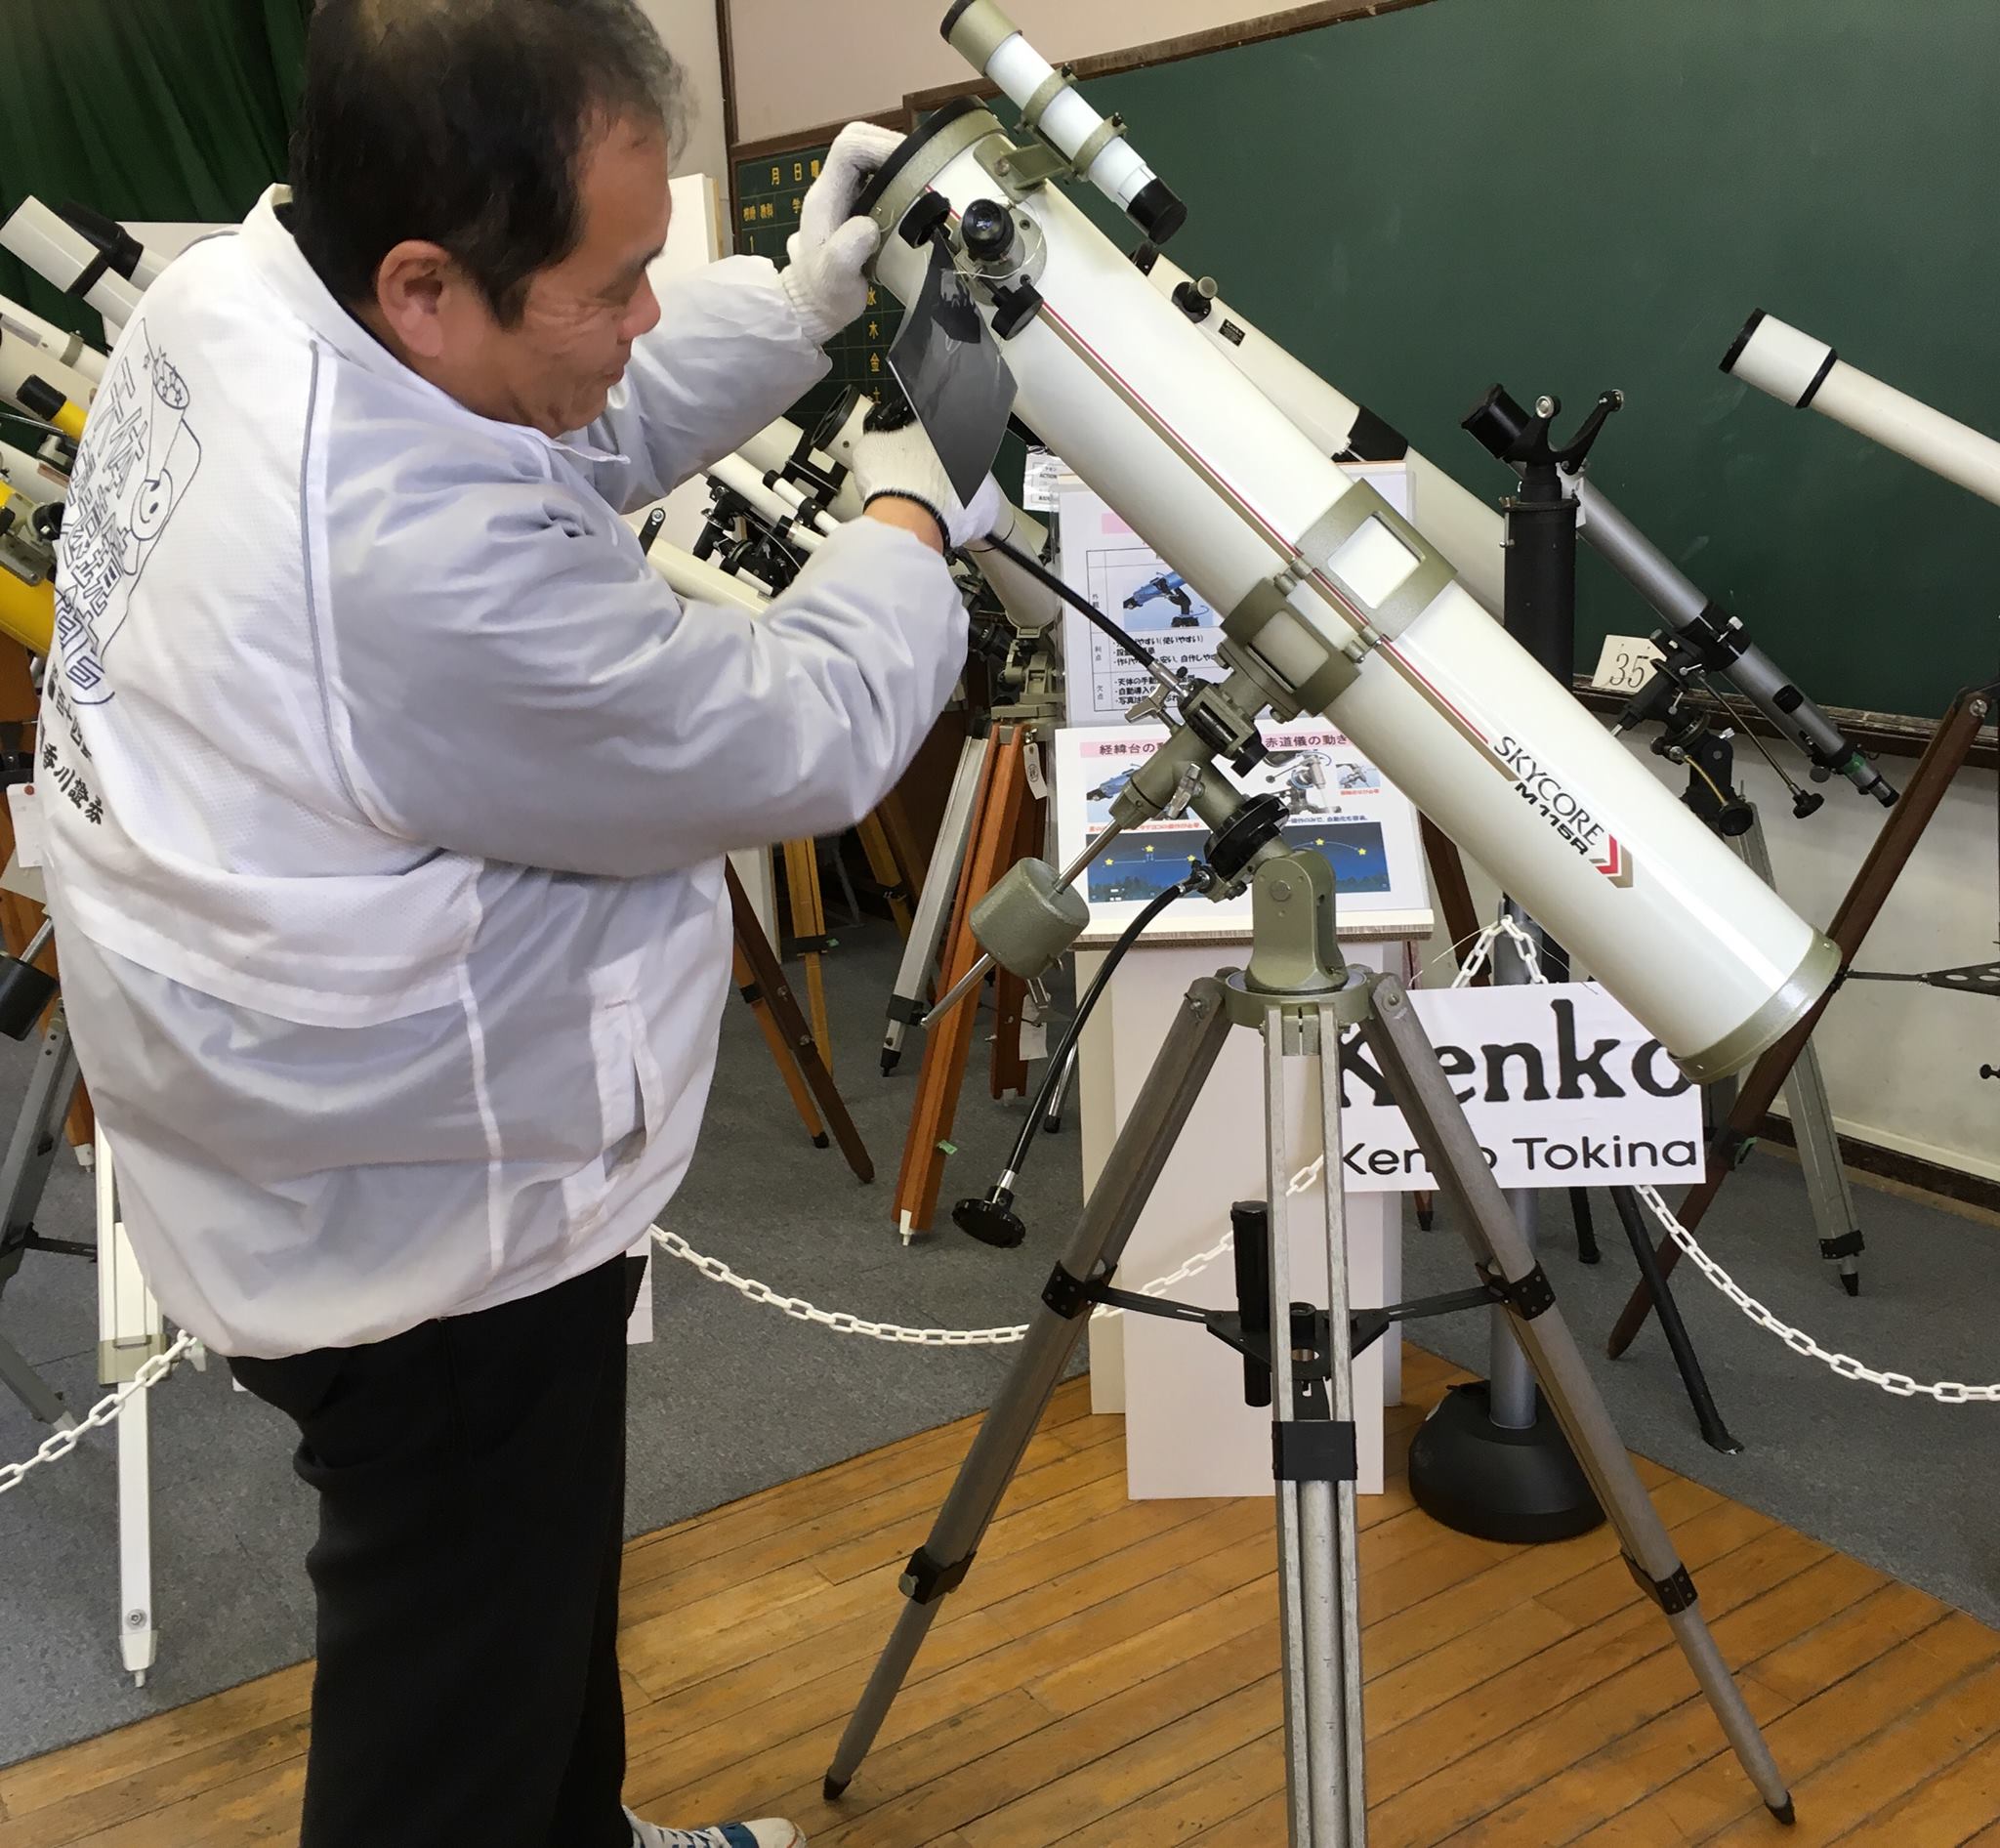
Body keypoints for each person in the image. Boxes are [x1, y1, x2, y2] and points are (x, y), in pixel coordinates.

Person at [35, 2, 998, 1844]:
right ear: (422, 283)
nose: (647, 315)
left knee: (521, 1605)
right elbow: (799, 731)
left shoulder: (244, 295)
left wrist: (795, 308)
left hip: (289, 1129)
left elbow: (563, 400)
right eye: (625, 276)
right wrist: (907, 502)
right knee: (449, 1702)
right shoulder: (405, 565)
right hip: (417, 1224)